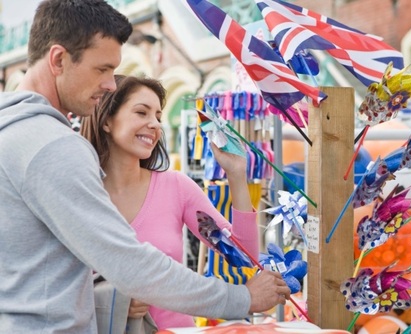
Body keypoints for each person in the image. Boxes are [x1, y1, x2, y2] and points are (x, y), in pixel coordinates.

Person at [0, 0, 290, 332]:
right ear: (58, 59)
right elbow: (131, 264)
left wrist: (237, 175)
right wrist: (240, 299)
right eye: (102, 69)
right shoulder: (55, 147)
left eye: (158, 115)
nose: (110, 83)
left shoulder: (13, 134)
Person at [80, 74, 259, 329]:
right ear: (107, 120)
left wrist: (236, 174)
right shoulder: (80, 194)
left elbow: (243, 256)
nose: (154, 124)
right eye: (142, 113)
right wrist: (111, 300)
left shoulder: (176, 187)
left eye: (158, 117)